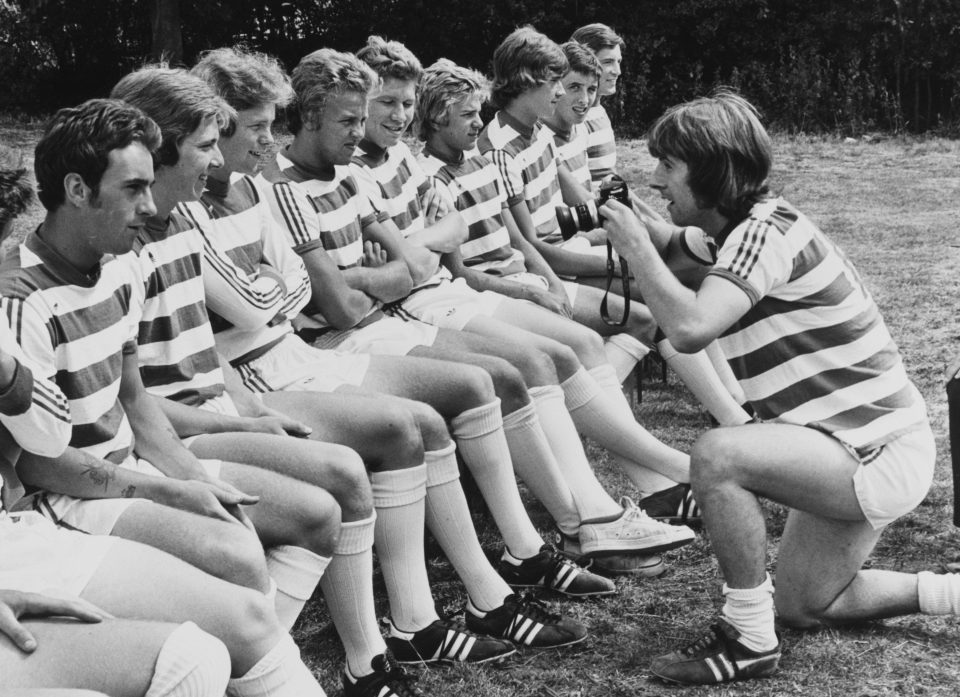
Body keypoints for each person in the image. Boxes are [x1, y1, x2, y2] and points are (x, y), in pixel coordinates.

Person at [161, 53, 590, 665]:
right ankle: (411, 625)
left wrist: (279, 283)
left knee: (450, 405)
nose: (267, 139)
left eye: (267, 123)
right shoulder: (190, 209)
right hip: (259, 370)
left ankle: (470, 597)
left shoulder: (256, 188)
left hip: (292, 347)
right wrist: (279, 283)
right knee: (404, 424)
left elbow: (293, 287)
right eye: (253, 127)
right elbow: (277, 303)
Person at [600, 90, 945, 685]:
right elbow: (662, 248)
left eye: (667, 165)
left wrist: (633, 245)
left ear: (712, 168)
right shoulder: (733, 230)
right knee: (809, 604)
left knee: (718, 454)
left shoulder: (764, 235)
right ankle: (954, 594)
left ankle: (747, 638)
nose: (654, 178)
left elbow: (689, 328)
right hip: (863, 442)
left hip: (872, 454)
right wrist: (532, 240)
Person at [0, 142, 319, 697]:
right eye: (133, 187)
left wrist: (186, 479)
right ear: (78, 190)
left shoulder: (118, 265)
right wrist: (168, 489)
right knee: (205, 640)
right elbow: (45, 458)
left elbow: (119, 406)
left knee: (288, 534)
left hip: (34, 522)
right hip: (58, 504)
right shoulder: (20, 297)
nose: (148, 206)